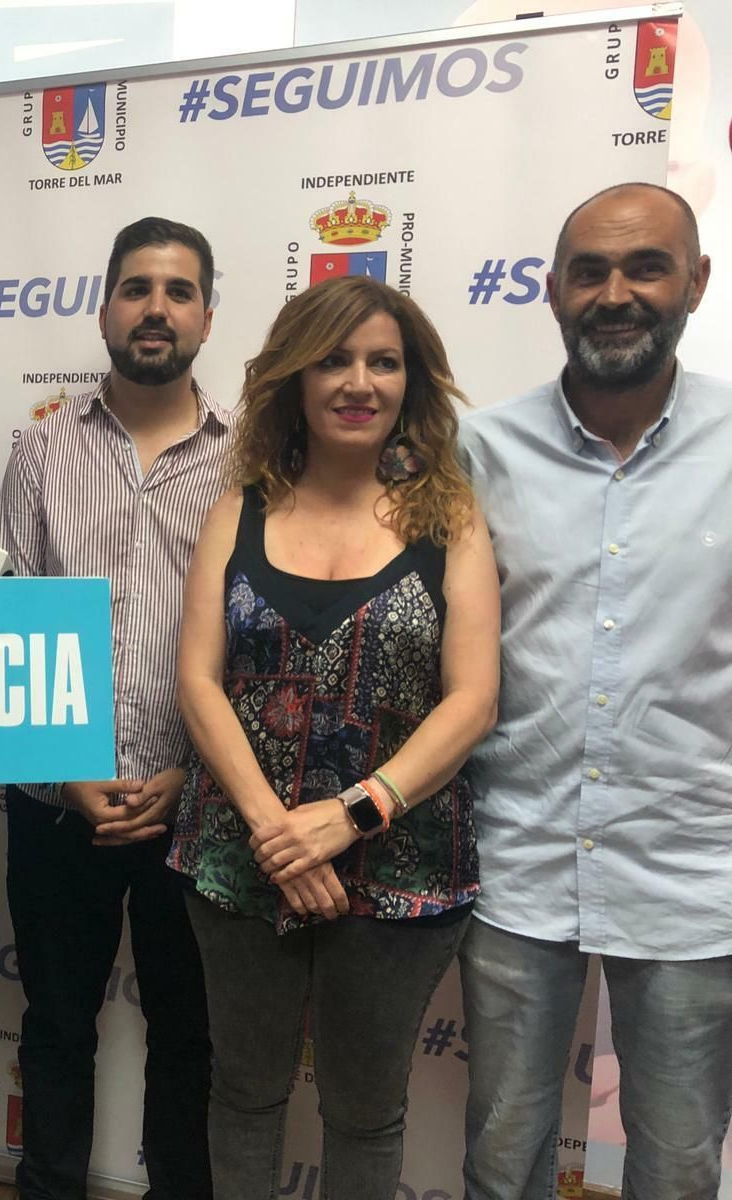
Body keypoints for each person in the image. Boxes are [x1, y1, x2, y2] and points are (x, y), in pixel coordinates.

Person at [173, 274, 500, 1199]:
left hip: (396, 867)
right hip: (240, 860)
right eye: (335, 359)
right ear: (296, 378)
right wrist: (278, 829)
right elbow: (197, 680)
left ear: (412, 382)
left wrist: (350, 814)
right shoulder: (239, 506)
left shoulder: (449, 517)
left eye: (384, 362)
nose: (360, 382)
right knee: (242, 1094)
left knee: (365, 1112)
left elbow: (472, 699)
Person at [458, 181, 732, 1200]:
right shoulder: (482, 451)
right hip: (517, 864)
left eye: (645, 267)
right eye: (589, 271)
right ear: (553, 292)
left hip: (693, 877)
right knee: (499, 1162)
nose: (615, 294)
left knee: (675, 1167)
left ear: (695, 282)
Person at [0, 216, 225, 1200]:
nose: (155, 308)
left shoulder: (254, 460)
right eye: (136, 288)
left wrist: (197, 777)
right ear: (102, 309)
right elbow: (6, 634)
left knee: (189, 1037)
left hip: (201, 807)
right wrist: (62, 769)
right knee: (54, 1029)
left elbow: (259, 650)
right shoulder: (40, 452)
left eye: (177, 291)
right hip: (60, 807)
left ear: (205, 317)